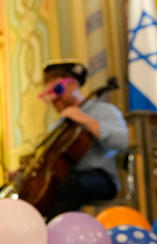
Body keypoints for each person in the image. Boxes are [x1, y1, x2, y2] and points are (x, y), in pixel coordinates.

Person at [38, 60, 128, 219]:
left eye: (57, 90)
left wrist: (85, 120)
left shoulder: (103, 111)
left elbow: (124, 142)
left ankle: (55, 235)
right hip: (66, 179)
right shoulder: (59, 124)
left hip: (101, 178)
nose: (53, 98)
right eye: (48, 94)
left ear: (73, 85)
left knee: (69, 186)